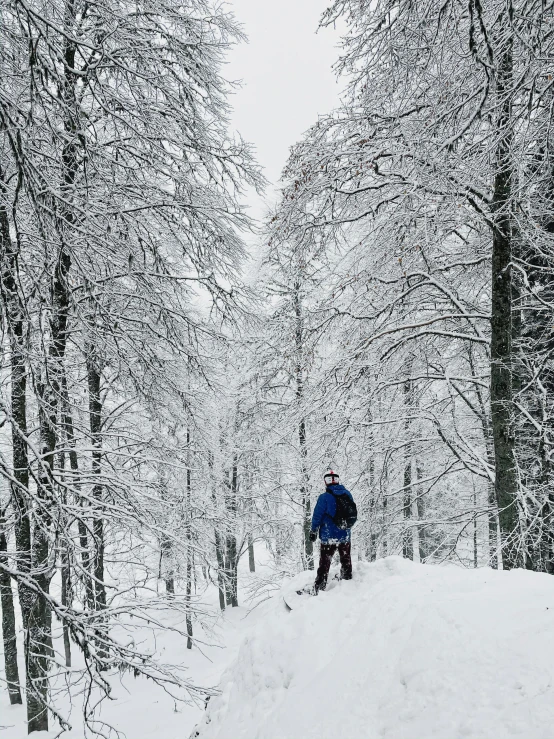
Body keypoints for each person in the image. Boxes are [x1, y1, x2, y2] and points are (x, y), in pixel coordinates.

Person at [309, 469, 356, 593]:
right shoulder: (347, 494)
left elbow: (317, 516)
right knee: (346, 559)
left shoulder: (324, 497)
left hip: (328, 536)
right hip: (344, 534)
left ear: (326, 482)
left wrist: (313, 530)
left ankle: (319, 587)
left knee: (324, 563)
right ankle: (348, 583)